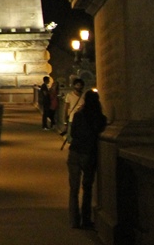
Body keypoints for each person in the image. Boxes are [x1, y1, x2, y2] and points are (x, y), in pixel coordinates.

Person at [67, 89, 107, 229]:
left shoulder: (78, 115)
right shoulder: (100, 118)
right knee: (87, 188)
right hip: (89, 154)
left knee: (74, 188)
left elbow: (73, 133)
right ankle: (86, 219)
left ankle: (74, 220)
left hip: (75, 152)